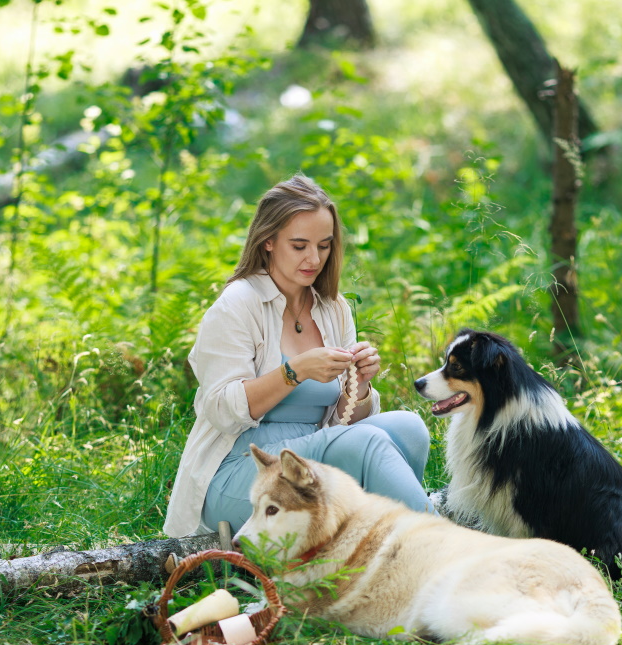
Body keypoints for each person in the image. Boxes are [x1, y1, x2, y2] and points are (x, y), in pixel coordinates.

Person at [163, 174, 434, 538]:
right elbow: (221, 410)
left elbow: (342, 424)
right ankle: (442, 551)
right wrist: (295, 371)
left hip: (312, 464)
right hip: (245, 473)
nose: (314, 258)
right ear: (268, 242)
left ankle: (376, 554)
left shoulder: (332, 308)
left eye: (324, 246)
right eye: (299, 245)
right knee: (364, 443)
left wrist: (363, 386)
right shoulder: (237, 304)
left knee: (409, 428)